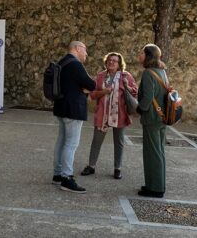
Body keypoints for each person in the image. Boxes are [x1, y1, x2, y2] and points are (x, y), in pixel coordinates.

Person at [81, 52, 138, 180]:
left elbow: (136, 91)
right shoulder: (101, 76)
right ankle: (91, 166)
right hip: (103, 114)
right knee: (96, 141)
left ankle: (117, 169)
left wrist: (128, 86)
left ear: (119, 64)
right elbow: (93, 94)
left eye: (114, 61)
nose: (111, 62)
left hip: (120, 114)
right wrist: (104, 92)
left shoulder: (126, 76)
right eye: (109, 60)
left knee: (119, 142)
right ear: (106, 62)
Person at [52, 41, 96, 194]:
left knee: (61, 141)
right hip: (73, 110)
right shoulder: (75, 65)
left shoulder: (62, 62)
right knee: (71, 144)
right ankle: (67, 178)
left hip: (61, 107)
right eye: (85, 50)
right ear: (77, 48)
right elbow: (91, 85)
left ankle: (57, 174)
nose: (86, 54)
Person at [135, 44, 168, 198]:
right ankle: (158, 185)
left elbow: (148, 97)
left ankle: (154, 188)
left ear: (148, 56)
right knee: (159, 152)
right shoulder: (162, 71)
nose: (139, 55)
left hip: (152, 118)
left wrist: (139, 109)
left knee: (152, 153)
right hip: (161, 117)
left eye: (141, 53)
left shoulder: (148, 73)